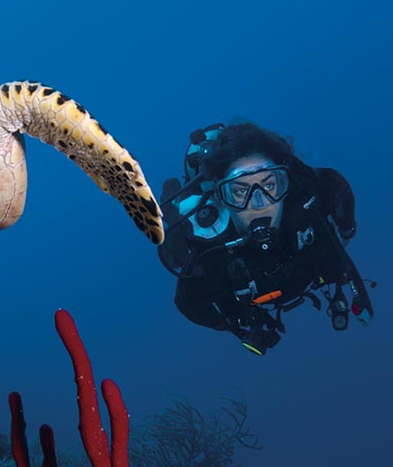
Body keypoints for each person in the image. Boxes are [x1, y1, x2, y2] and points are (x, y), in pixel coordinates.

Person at [158, 121, 373, 355]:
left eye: (270, 185)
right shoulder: (210, 248)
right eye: (240, 191)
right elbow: (190, 305)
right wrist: (238, 324)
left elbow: (336, 193)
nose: (260, 204)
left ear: (285, 185)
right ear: (221, 197)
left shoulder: (308, 205)